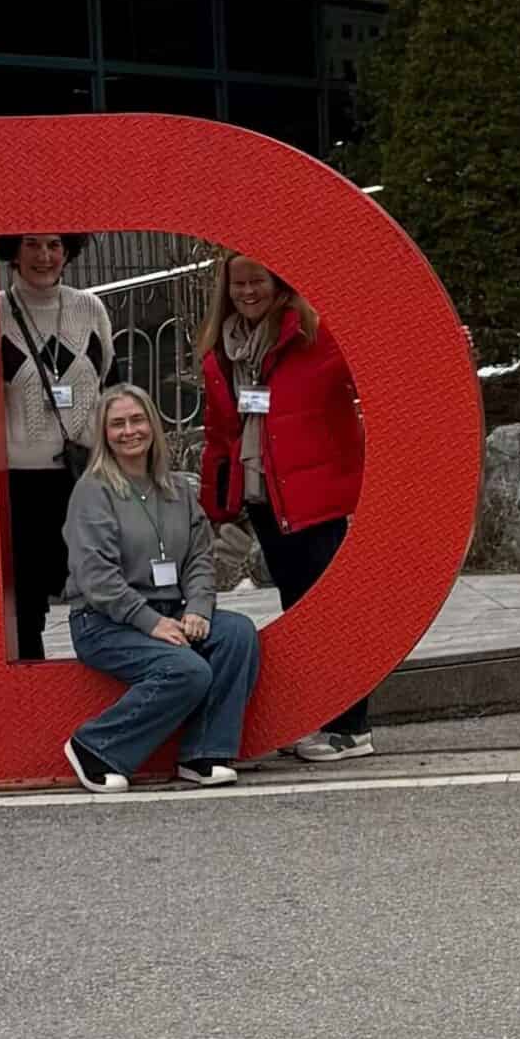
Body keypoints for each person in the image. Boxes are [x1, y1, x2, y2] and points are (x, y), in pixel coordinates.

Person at [198, 253, 371, 762]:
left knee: (330, 613)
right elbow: (220, 435)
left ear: (279, 285)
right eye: (238, 285)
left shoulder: (315, 335)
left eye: (257, 282)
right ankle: (320, 717)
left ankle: (352, 726)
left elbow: (377, 371)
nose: (247, 292)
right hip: (265, 498)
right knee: (296, 610)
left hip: (316, 499)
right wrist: (217, 503)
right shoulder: (222, 353)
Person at [61, 384, 260, 793]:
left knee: (237, 633)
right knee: (185, 669)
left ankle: (203, 753)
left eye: (137, 420)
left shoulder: (177, 491)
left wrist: (199, 608)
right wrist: (149, 621)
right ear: (104, 434)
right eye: (117, 424)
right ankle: (95, 746)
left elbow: (200, 558)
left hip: (167, 612)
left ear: (153, 424)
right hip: (104, 622)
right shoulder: (92, 492)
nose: (129, 431)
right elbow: (95, 574)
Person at [0, 232, 114, 661]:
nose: (44, 256)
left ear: (68, 250)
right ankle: (29, 696)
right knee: (26, 600)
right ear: (13, 250)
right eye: (31, 245)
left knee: (104, 585)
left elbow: (110, 384)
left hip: (86, 474)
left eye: (53, 245)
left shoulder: (90, 309)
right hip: (21, 482)